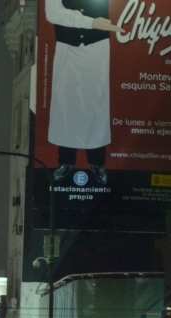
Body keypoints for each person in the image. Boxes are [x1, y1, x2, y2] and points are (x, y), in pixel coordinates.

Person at [44, 0, 124, 185]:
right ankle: (66, 161)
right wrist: (91, 22)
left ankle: (97, 163)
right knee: (65, 103)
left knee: (97, 102)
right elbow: (53, 13)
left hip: (97, 46)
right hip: (67, 46)